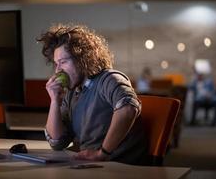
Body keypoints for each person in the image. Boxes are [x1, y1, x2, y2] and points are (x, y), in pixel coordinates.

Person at [37, 24, 148, 165]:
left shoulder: (109, 79)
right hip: (92, 166)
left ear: (81, 59)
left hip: (119, 167)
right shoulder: (72, 92)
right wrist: (54, 101)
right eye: (56, 64)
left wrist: (103, 153)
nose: (58, 70)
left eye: (63, 62)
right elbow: (57, 143)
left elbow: (128, 109)